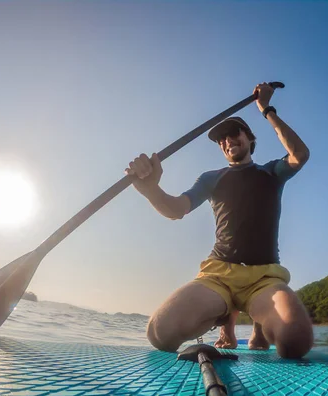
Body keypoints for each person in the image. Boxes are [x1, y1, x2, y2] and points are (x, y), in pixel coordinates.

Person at [125, 83, 314, 359]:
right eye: (221, 139)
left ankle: (258, 323)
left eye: (233, 133)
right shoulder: (211, 178)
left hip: (263, 278)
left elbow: (300, 155)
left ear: (250, 139)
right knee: (159, 334)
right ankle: (224, 316)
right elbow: (176, 209)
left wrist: (266, 109)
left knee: (294, 341)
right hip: (219, 276)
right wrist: (151, 189)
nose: (227, 141)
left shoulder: (271, 171)